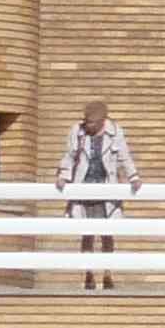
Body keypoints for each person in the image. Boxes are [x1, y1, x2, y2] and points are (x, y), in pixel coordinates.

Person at [55, 98, 137, 283]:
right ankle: (88, 273)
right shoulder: (77, 132)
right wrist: (63, 176)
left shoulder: (115, 132)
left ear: (102, 121)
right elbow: (69, 155)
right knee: (87, 233)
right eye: (86, 121)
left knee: (107, 234)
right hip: (84, 187)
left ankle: (108, 273)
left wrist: (134, 177)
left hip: (107, 188)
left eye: (91, 122)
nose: (87, 125)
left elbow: (124, 156)